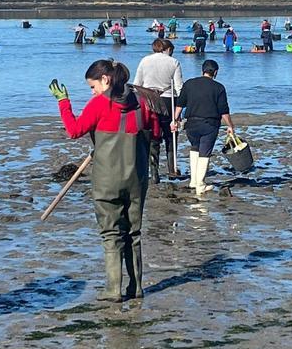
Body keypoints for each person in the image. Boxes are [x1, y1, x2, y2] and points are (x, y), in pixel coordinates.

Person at [51, 60, 158, 301]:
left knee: (111, 233)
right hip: (137, 178)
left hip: (107, 180)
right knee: (134, 232)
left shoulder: (100, 104)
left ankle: (113, 290)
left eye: (92, 86)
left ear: (106, 80)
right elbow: (155, 134)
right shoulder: (142, 102)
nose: (93, 91)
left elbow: (74, 130)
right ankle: (136, 287)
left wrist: (63, 102)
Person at [174, 58, 237, 195]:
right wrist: (230, 126)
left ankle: (193, 181)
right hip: (209, 124)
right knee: (205, 152)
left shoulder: (189, 84)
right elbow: (223, 110)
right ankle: (200, 185)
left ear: (203, 70)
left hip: (191, 123)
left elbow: (180, 104)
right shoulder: (218, 87)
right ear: (215, 72)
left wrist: (174, 120)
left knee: (195, 148)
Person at [132, 39, 185, 182]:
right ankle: (172, 168)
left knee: (153, 135)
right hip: (168, 99)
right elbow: (179, 87)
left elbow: (137, 84)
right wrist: (183, 107)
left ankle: (154, 172)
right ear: (167, 49)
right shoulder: (173, 62)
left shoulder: (144, 61)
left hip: (149, 100)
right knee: (170, 135)